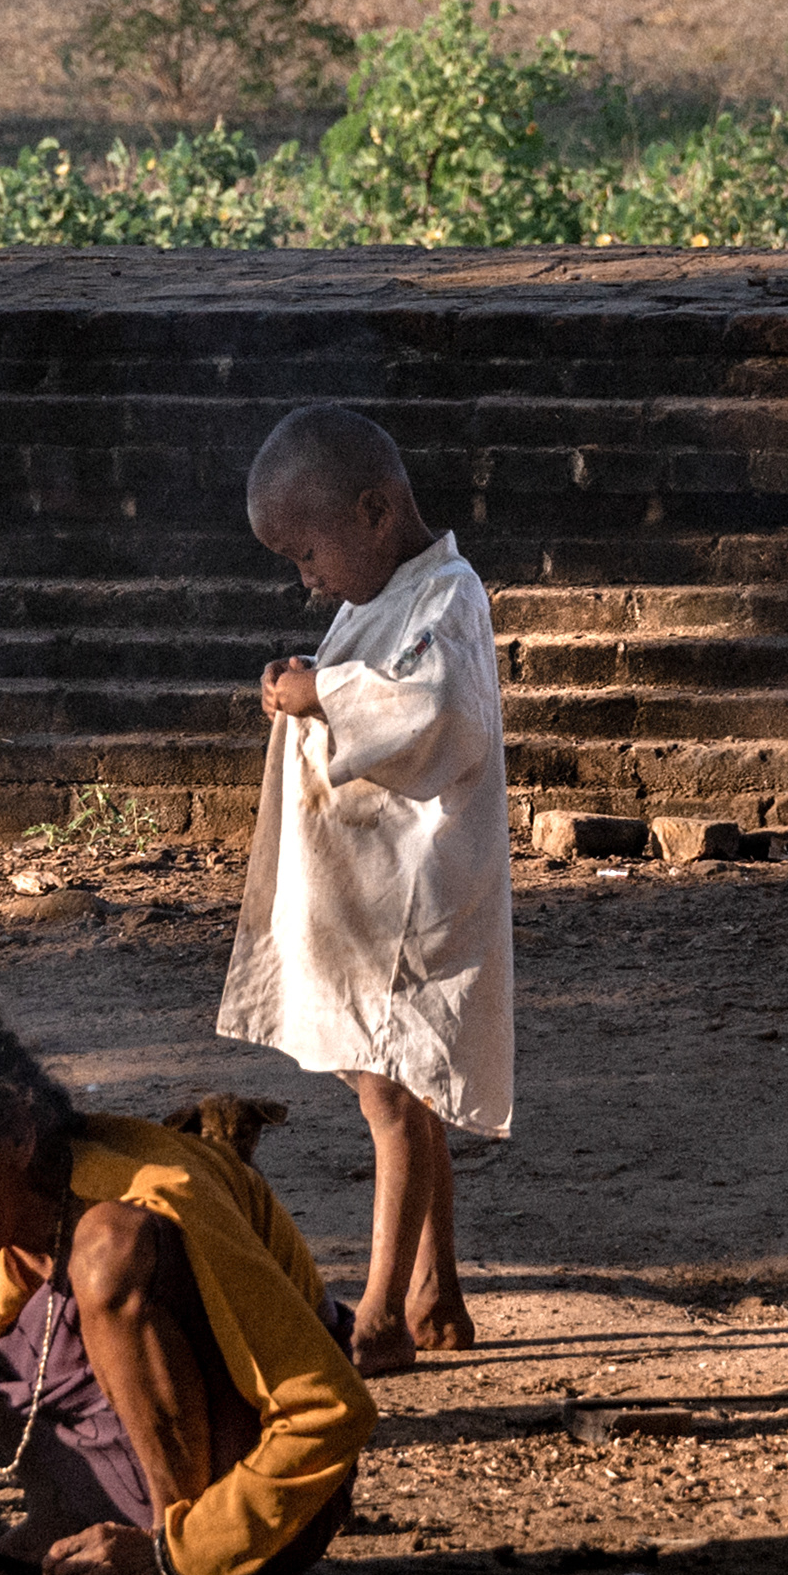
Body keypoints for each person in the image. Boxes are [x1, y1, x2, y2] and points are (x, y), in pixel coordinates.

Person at [0, 997, 371, 1575]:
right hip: (109, 1504)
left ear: (18, 1136)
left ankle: (178, 1574)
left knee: (108, 1251)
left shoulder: (161, 1192)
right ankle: (62, 1526)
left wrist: (181, 1555)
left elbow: (329, 1410)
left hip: (256, 1525)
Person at [214, 403, 514, 1377]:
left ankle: (380, 1313)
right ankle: (437, 1287)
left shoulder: (447, 595)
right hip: (366, 900)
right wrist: (304, 682)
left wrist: (325, 696)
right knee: (405, 1094)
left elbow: (429, 710)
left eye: (308, 554)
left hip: (410, 907)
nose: (307, 581)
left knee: (393, 1102)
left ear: (376, 511)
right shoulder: (380, 595)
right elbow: (365, 683)